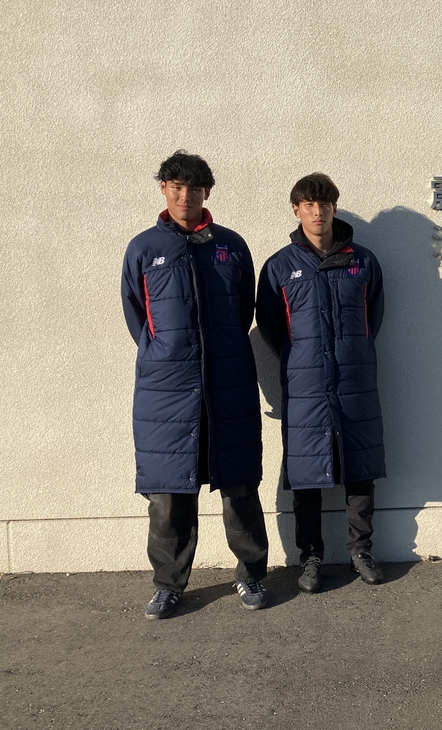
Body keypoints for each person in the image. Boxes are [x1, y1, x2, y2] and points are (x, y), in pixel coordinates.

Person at [122, 151, 270, 619]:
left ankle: (252, 574)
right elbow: (138, 316)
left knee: (239, 487)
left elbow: (244, 309)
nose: (186, 196)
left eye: (195, 188)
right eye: (177, 187)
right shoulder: (143, 248)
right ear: (164, 189)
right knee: (169, 494)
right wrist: (165, 353)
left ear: (207, 192)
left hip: (228, 383)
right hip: (166, 390)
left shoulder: (231, 246)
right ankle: (168, 585)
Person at [256, 173, 386, 592]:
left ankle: (360, 550)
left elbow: (372, 318)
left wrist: (351, 351)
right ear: (296, 210)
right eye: (309, 205)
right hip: (305, 384)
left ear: (334, 207)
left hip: (354, 379)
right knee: (307, 472)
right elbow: (271, 326)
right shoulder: (279, 266)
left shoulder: (362, 261)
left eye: (325, 203)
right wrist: (301, 358)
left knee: (359, 467)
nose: (318, 212)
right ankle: (310, 556)